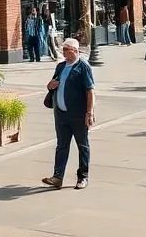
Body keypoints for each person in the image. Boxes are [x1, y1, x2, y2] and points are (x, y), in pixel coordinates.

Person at [42, 38, 95, 190]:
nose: (63, 52)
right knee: (61, 145)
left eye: (67, 49)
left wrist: (89, 113)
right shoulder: (60, 66)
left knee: (82, 145)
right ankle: (57, 177)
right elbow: (52, 84)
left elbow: (90, 91)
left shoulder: (83, 66)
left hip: (78, 114)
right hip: (61, 114)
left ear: (75, 50)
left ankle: (83, 177)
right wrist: (49, 85)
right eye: (63, 49)